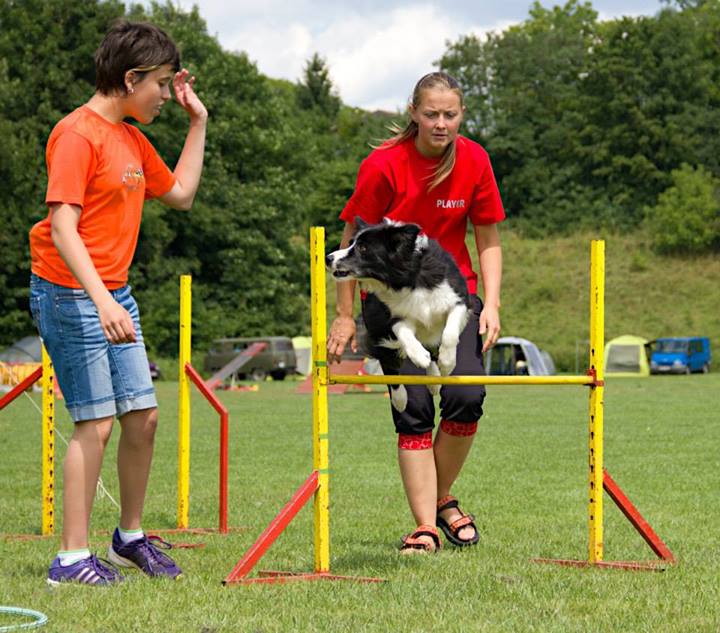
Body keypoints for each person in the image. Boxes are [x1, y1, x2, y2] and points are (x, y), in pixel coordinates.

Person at [28, 20, 207, 585]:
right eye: (159, 84)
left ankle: (129, 537)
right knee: (96, 425)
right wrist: (102, 299)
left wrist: (197, 122)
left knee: (144, 418)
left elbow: (179, 195)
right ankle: (71, 559)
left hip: (111, 293)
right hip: (70, 292)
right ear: (130, 78)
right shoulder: (77, 135)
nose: (163, 95)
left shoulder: (131, 138)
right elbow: (62, 226)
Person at [327, 72, 504, 553]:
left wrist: (492, 303)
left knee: (467, 395)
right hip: (392, 306)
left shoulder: (475, 160)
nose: (441, 123)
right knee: (416, 409)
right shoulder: (384, 165)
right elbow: (350, 243)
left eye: (450, 114)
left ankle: (442, 498)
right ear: (414, 112)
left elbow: (487, 238)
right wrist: (345, 316)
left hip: (453, 300)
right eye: (432, 114)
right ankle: (427, 525)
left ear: (461, 115)